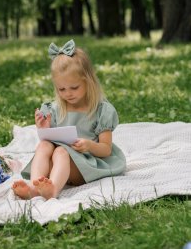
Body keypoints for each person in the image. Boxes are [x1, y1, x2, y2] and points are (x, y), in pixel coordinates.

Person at [12, 39, 126, 200]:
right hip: (60, 166)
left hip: (87, 165)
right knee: (45, 145)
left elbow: (106, 149)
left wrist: (89, 145)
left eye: (74, 88)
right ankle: (35, 185)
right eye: (62, 89)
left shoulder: (101, 110)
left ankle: (53, 190)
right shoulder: (55, 109)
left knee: (61, 151)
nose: (68, 94)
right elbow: (50, 140)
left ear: (89, 82)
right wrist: (43, 129)